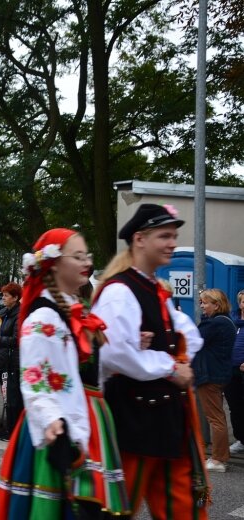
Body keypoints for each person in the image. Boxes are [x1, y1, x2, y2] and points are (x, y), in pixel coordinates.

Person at [0, 228, 129, 519]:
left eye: (86, 255)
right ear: (54, 264)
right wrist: (53, 425)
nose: (86, 261)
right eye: (77, 256)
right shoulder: (44, 317)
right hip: (59, 422)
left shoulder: (77, 309)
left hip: (91, 417)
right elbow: (35, 379)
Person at [92, 203, 208, 519]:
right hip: (133, 420)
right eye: (165, 236)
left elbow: (189, 336)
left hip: (167, 418)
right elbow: (115, 353)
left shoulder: (155, 289)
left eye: (174, 236)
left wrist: (173, 359)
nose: (172, 243)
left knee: (184, 508)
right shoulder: (120, 291)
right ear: (140, 239)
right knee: (116, 509)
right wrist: (170, 366)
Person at [195, 289, 237, 472]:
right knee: (216, 416)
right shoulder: (225, 321)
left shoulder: (215, 323)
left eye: (205, 303)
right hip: (217, 373)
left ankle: (219, 459)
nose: (202, 306)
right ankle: (219, 455)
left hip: (210, 375)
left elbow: (195, 339)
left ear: (216, 305)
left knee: (215, 417)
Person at [0, 282, 23, 438]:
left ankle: (13, 429)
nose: (3, 298)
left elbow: (17, 339)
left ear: (15, 298)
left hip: (12, 361)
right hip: (2, 360)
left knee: (13, 397)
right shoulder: (3, 312)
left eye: (6, 296)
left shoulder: (20, 314)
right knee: (6, 396)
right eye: (2, 295)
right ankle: (7, 426)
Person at [226, 290, 244, 455]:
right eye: (243, 301)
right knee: (235, 408)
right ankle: (241, 440)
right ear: (240, 304)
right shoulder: (232, 321)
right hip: (232, 371)